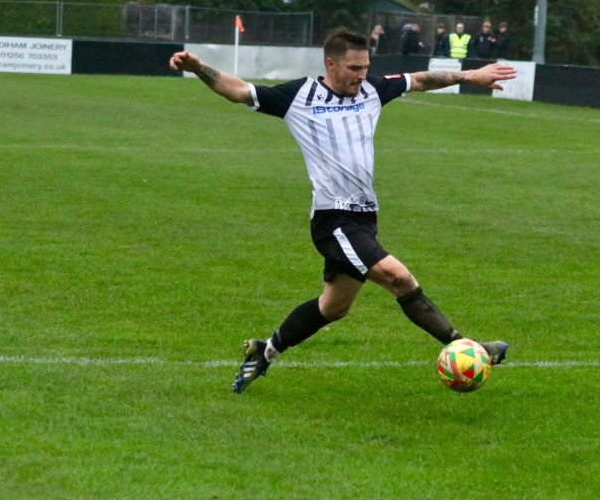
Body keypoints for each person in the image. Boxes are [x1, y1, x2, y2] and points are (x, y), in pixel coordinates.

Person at [168, 29, 517, 392]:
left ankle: (264, 351)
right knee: (399, 278)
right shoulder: (300, 96)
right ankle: (469, 348)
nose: (362, 75)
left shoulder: (372, 89)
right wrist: (198, 67)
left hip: (364, 218)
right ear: (330, 64)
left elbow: (420, 80)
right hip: (333, 218)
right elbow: (239, 90)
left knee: (333, 308)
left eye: (366, 67)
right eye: (354, 68)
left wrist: (470, 75)